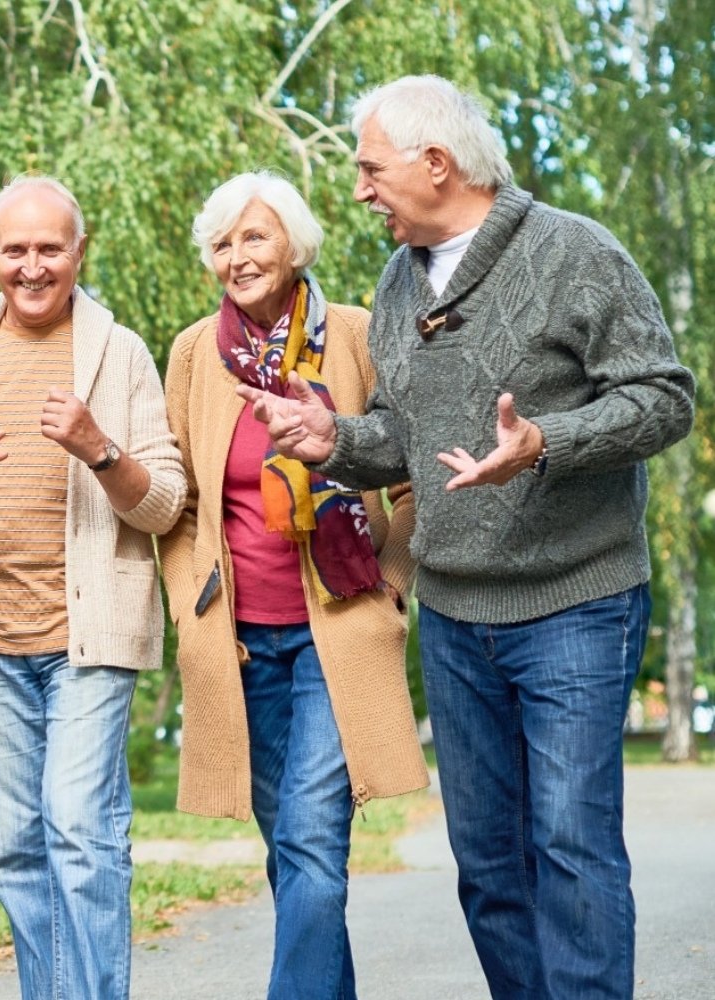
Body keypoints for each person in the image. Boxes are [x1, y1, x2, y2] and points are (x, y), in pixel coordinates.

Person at [241, 76, 696, 1000]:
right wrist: (336, 441)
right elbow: (407, 439)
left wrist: (545, 444)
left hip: (576, 601)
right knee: (488, 867)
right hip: (454, 615)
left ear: (435, 164)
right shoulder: (397, 280)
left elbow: (664, 399)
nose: (360, 189)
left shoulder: (575, 253)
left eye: (371, 168)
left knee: (570, 852)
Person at [0, 176, 186, 1000]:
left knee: (79, 829)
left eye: (50, 249)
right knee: (15, 849)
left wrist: (99, 447)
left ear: (79, 249)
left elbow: (167, 505)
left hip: (89, 638)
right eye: (16, 250)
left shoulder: (118, 352)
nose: (33, 268)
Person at [159, 170, 427, 1000]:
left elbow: (411, 477)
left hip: (336, 631)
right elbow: (182, 505)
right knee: (292, 852)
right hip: (241, 641)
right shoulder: (194, 354)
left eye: (254, 236)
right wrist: (192, 609)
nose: (237, 256)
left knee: (312, 842)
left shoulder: (353, 334)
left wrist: (391, 581)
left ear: (295, 244)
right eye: (223, 242)